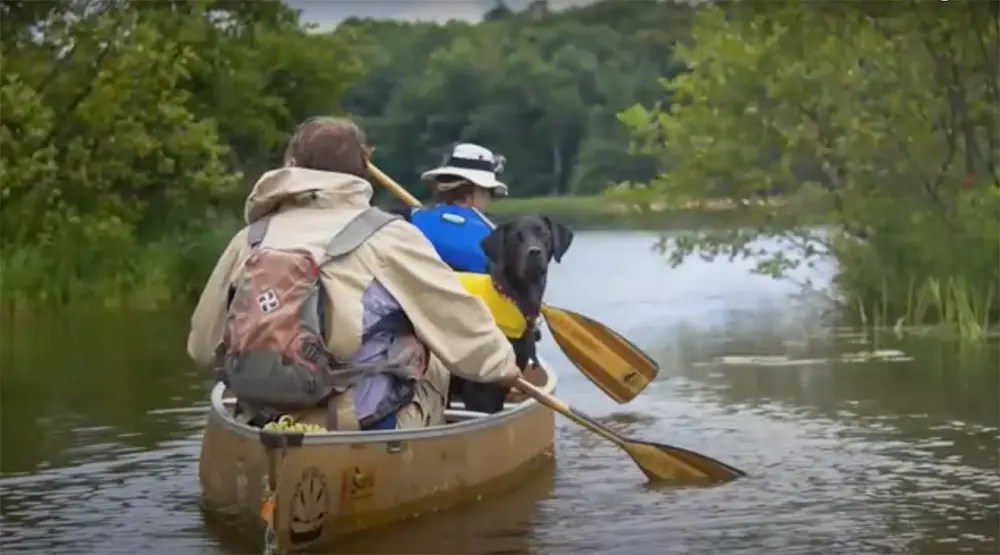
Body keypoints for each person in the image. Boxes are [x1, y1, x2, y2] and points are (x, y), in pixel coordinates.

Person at [187, 117, 521, 430]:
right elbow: (456, 320)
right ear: (363, 168)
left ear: (291, 167)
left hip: (259, 420)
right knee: (433, 356)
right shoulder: (388, 236)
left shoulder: (249, 238)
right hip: (352, 424)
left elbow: (202, 348)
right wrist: (501, 364)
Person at [402, 143, 508, 274]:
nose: (488, 201)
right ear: (470, 196)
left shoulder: (408, 221)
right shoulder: (497, 240)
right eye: (487, 194)